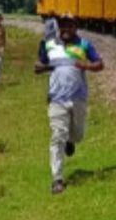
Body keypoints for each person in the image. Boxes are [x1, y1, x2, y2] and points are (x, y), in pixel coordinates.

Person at [34, 13, 104, 195]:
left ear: (75, 27)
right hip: (56, 99)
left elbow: (100, 64)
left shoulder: (84, 45)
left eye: (69, 25)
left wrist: (86, 66)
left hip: (78, 98)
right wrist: (45, 66)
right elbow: (38, 65)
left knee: (78, 134)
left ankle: (71, 141)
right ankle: (57, 179)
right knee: (57, 136)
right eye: (63, 25)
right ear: (59, 27)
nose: (66, 29)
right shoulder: (49, 44)